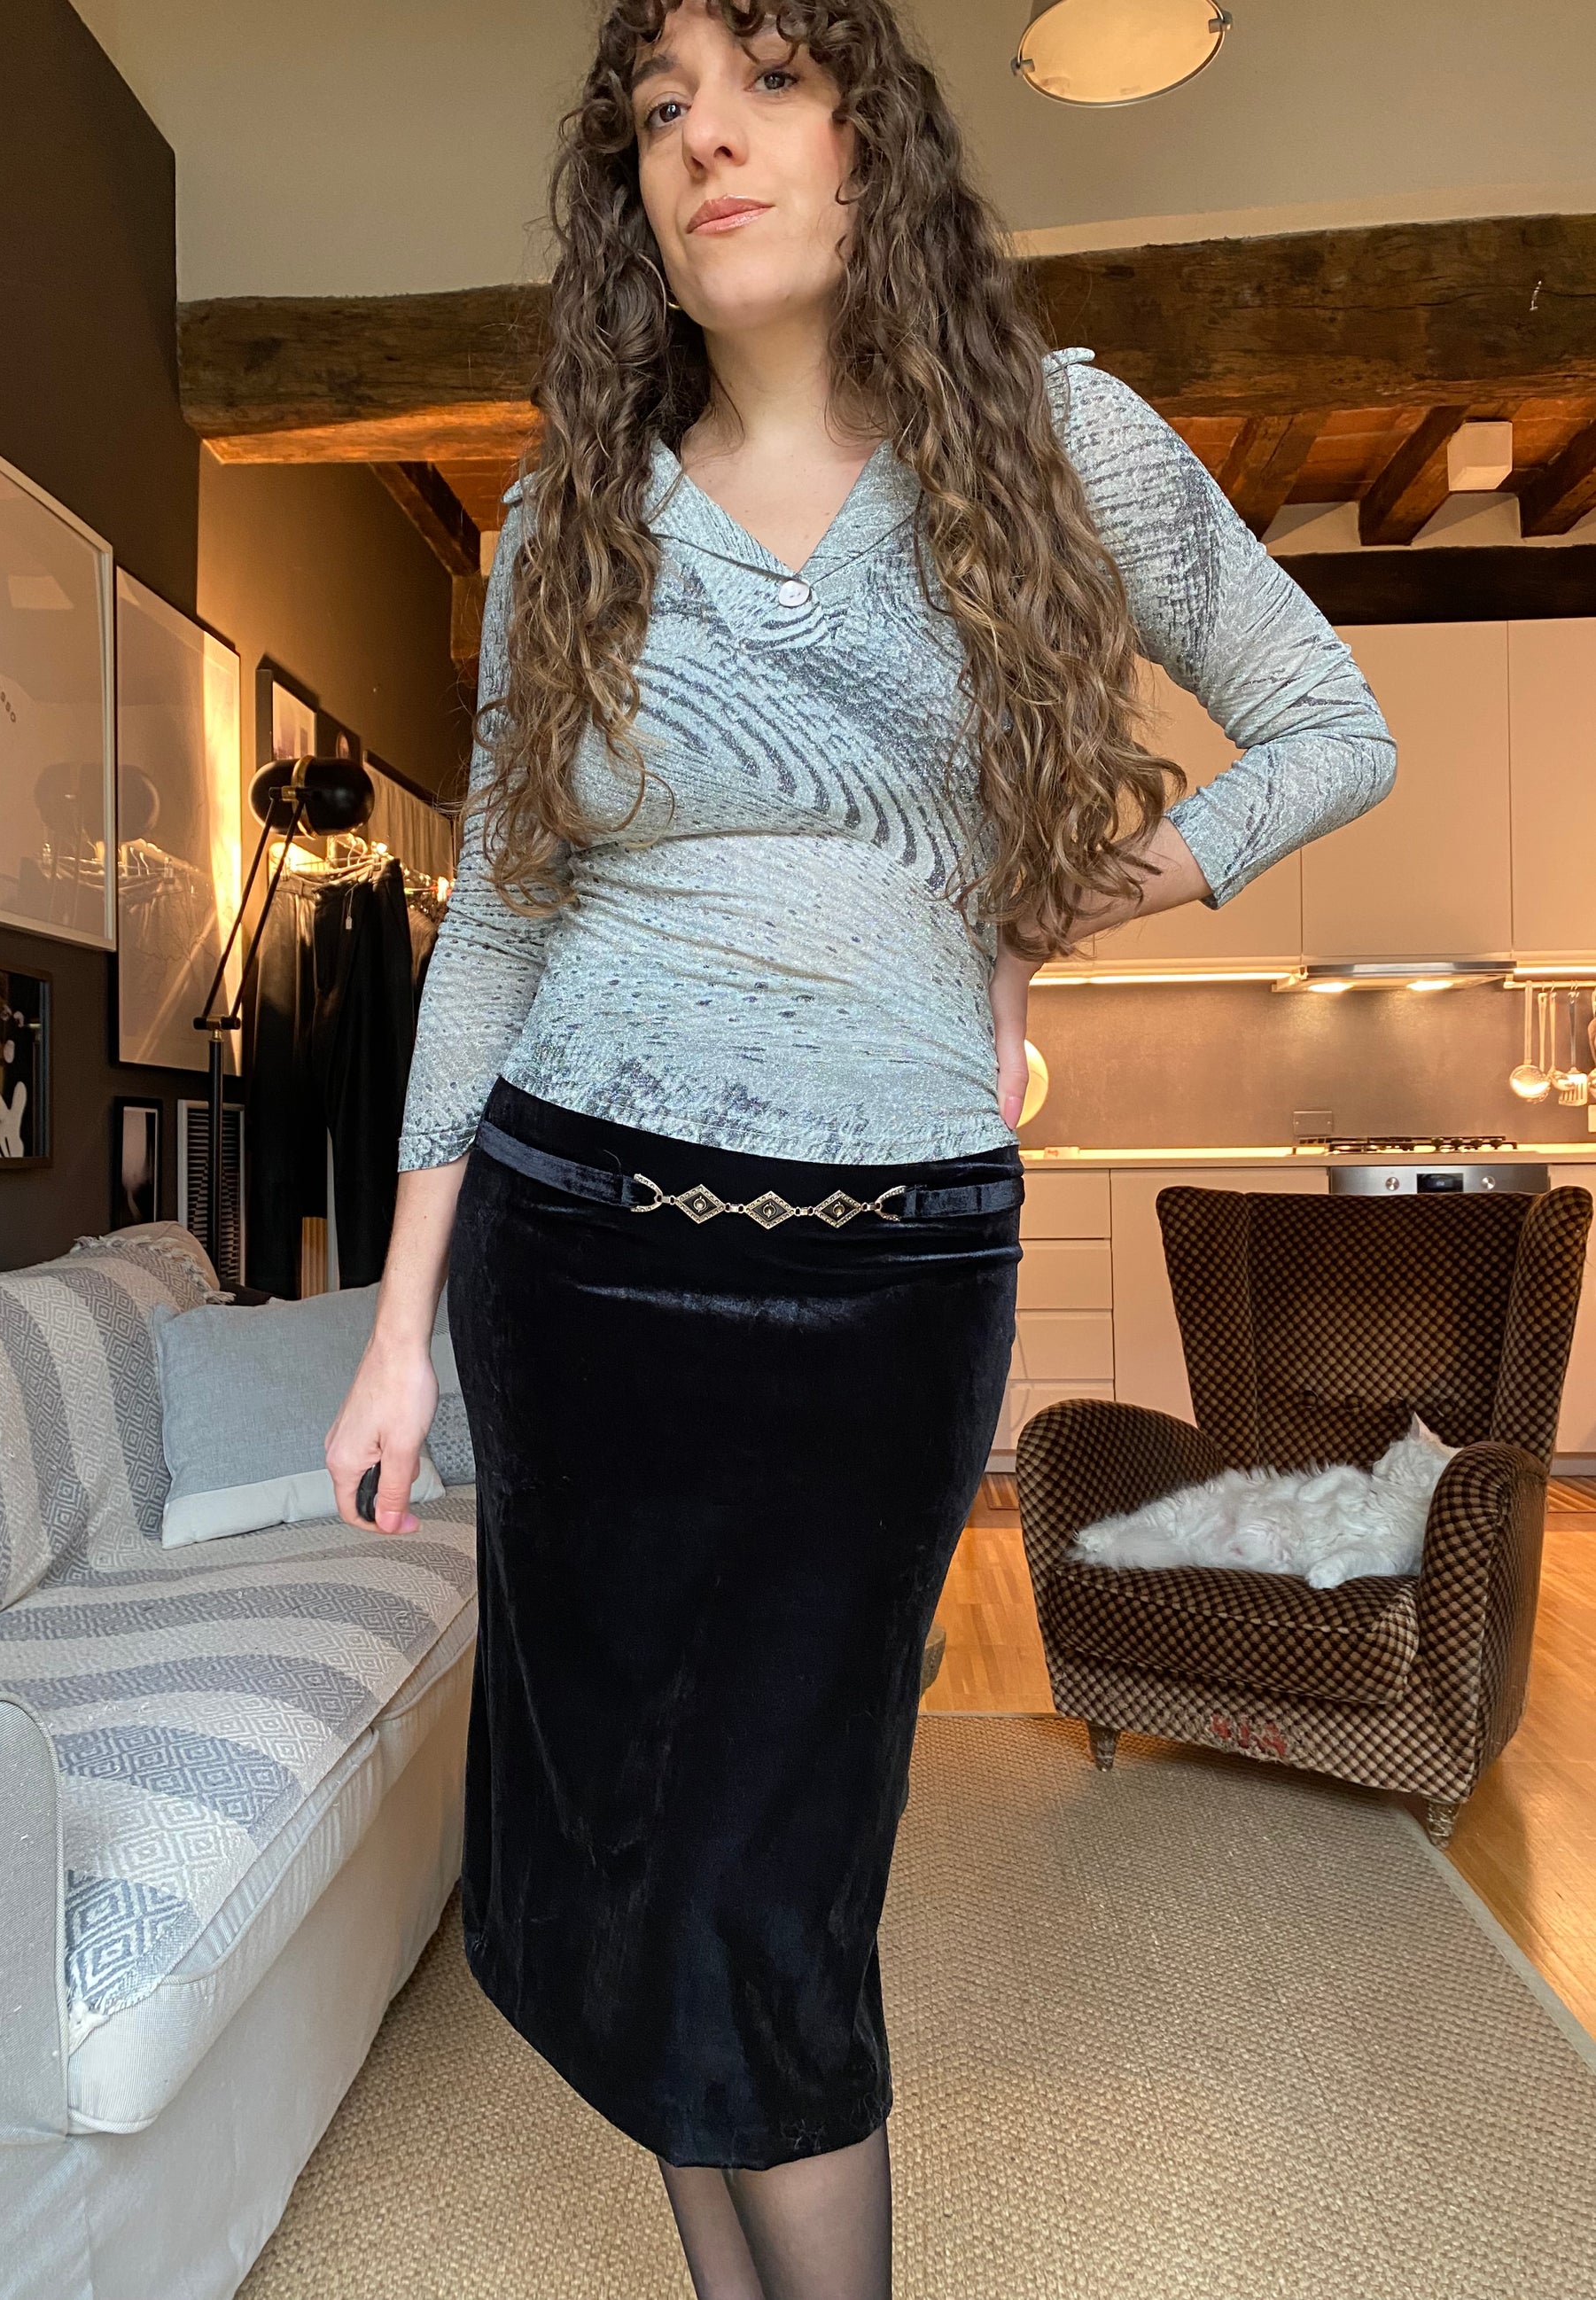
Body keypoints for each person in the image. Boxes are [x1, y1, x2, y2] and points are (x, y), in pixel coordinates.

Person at [326, 4, 1395, 2294]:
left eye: (769, 85)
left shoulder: (1057, 439)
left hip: (887, 1277)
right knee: (626, 1855)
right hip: (569, 1251)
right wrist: (397, 1331)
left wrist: (1062, 898)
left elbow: (1332, 726)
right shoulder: (568, 515)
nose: (706, 143)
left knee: (775, 1871)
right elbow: (500, 917)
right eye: (658, 113)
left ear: (869, 139)